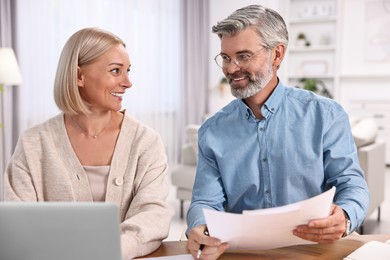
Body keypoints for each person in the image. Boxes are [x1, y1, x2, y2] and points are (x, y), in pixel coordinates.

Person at [186, 5, 369, 259]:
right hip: (243, 254)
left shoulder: (325, 115)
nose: (230, 68)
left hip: (315, 251)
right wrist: (199, 227)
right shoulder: (212, 131)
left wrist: (346, 216)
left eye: (243, 56)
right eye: (226, 58)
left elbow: (352, 185)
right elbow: (205, 201)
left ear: (277, 54)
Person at [4, 27, 174, 259]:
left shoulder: (146, 141)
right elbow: (16, 220)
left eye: (128, 71)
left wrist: (111, 252)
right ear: (78, 76)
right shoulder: (34, 142)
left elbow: (153, 214)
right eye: (116, 71)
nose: (127, 83)